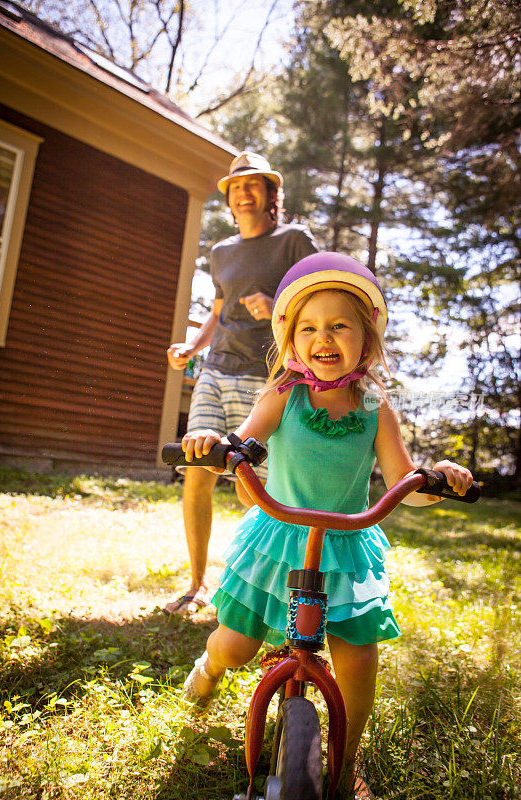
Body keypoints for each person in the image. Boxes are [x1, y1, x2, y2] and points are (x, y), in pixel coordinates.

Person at [179, 252, 474, 799]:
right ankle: (209, 666)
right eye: (310, 327)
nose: (324, 336)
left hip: (346, 544)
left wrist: (438, 480)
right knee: (236, 646)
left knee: (358, 658)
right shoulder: (282, 394)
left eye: (341, 325)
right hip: (279, 535)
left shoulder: (375, 407)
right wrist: (219, 447)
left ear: (368, 342)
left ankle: (345, 755)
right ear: (291, 342)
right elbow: (245, 439)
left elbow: (401, 482)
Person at [165, 151, 318, 615]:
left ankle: (259, 585)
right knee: (197, 464)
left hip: (268, 377)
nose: (243, 192)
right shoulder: (221, 252)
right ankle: (196, 585)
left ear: (272, 194)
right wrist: (193, 348)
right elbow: (217, 312)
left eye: (253, 184)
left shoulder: (293, 241)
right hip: (217, 368)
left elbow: (322, 302)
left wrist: (276, 308)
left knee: (253, 487)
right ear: (229, 198)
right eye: (235, 187)